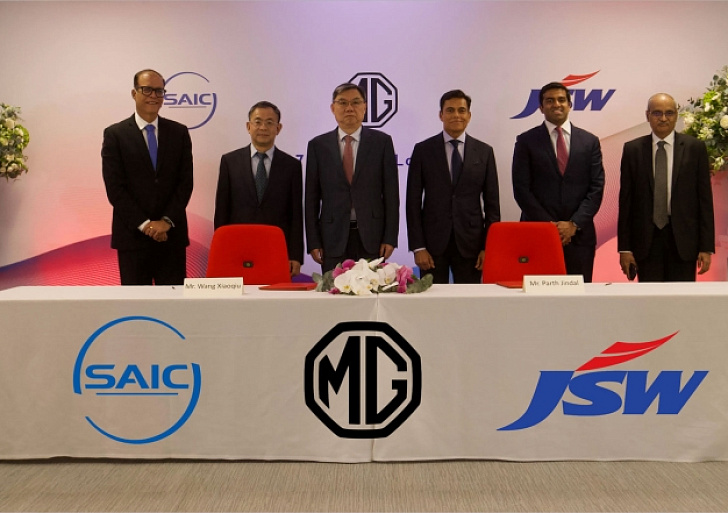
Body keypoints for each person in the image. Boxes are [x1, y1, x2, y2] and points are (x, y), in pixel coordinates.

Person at [102, 69, 193, 285]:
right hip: (132, 238)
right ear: (134, 93)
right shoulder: (115, 135)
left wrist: (166, 222)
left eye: (159, 91)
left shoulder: (179, 133)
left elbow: (185, 183)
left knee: (174, 303)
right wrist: (146, 225)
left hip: (171, 237)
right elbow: (115, 189)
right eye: (147, 90)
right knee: (135, 304)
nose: (154, 95)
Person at [512, 81, 605, 282]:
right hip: (539, 235)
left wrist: (574, 224)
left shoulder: (590, 141)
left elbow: (596, 188)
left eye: (561, 100)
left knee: (579, 296)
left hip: (579, 237)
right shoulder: (526, 141)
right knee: (538, 296)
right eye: (550, 100)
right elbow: (521, 189)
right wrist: (550, 227)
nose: (556, 104)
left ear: (570, 105)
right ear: (541, 107)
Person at [406, 89, 500, 283]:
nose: (456, 115)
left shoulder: (484, 152)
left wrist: (488, 247)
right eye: (450, 110)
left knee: (468, 300)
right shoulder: (423, 150)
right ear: (441, 115)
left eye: (461, 110)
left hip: (472, 245)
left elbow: (492, 206)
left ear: (469, 115)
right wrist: (418, 247)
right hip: (432, 245)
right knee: (432, 300)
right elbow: (412, 203)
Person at [618, 93, 714, 282]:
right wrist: (625, 248)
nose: (663, 118)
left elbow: (704, 200)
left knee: (681, 298)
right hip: (645, 242)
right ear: (647, 115)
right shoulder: (633, 150)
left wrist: (706, 247)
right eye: (657, 113)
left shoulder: (695, 148)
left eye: (669, 113)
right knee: (649, 298)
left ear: (676, 115)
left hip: (684, 242)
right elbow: (626, 202)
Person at [305, 83, 399, 273]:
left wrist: (390, 238)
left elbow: (391, 195)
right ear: (333, 108)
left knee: (372, 289)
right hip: (332, 238)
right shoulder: (318, 145)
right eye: (342, 103)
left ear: (365, 107)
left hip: (372, 236)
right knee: (334, 289)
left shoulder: (382, 142)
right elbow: (311, 199)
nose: (349, 108)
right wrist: (313, 241)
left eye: (355, 102)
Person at [214, 101, 303, 277]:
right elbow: (222, 210)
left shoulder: (292, 165)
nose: (263, 127)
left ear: (278, 128)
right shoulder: (230, 162)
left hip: (276, 247)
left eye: (269, 122)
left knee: (274, 293)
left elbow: (296, 215)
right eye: (258, 122)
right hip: (238, 246)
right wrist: (221, 249)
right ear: (248, 126)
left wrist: (295, 255)